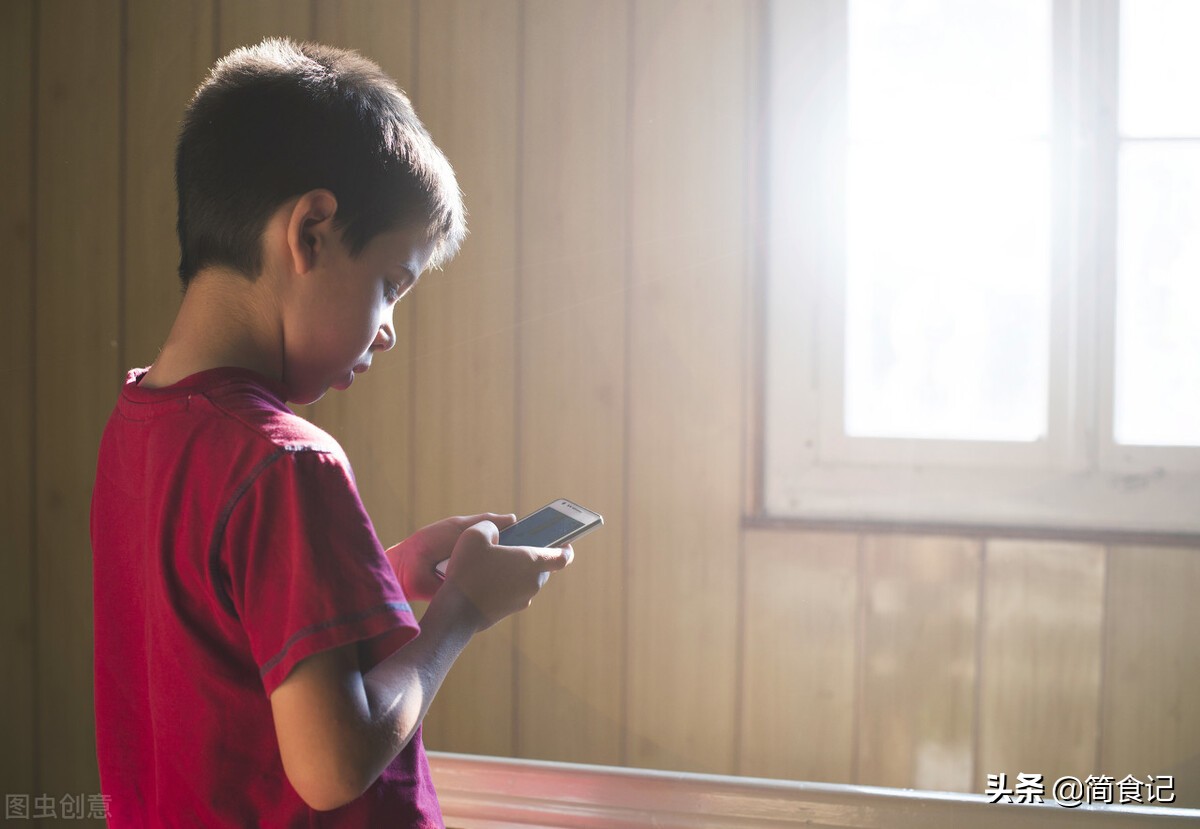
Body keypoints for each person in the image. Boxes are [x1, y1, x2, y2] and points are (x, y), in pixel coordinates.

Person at [89, 37, 572, 825]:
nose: (387, 331)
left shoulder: (137, 424)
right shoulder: (286, 462)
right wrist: (460, 614)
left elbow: (220, 641)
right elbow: (332, 762)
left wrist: (384, 575)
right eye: (391, 285)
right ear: (311, 233)